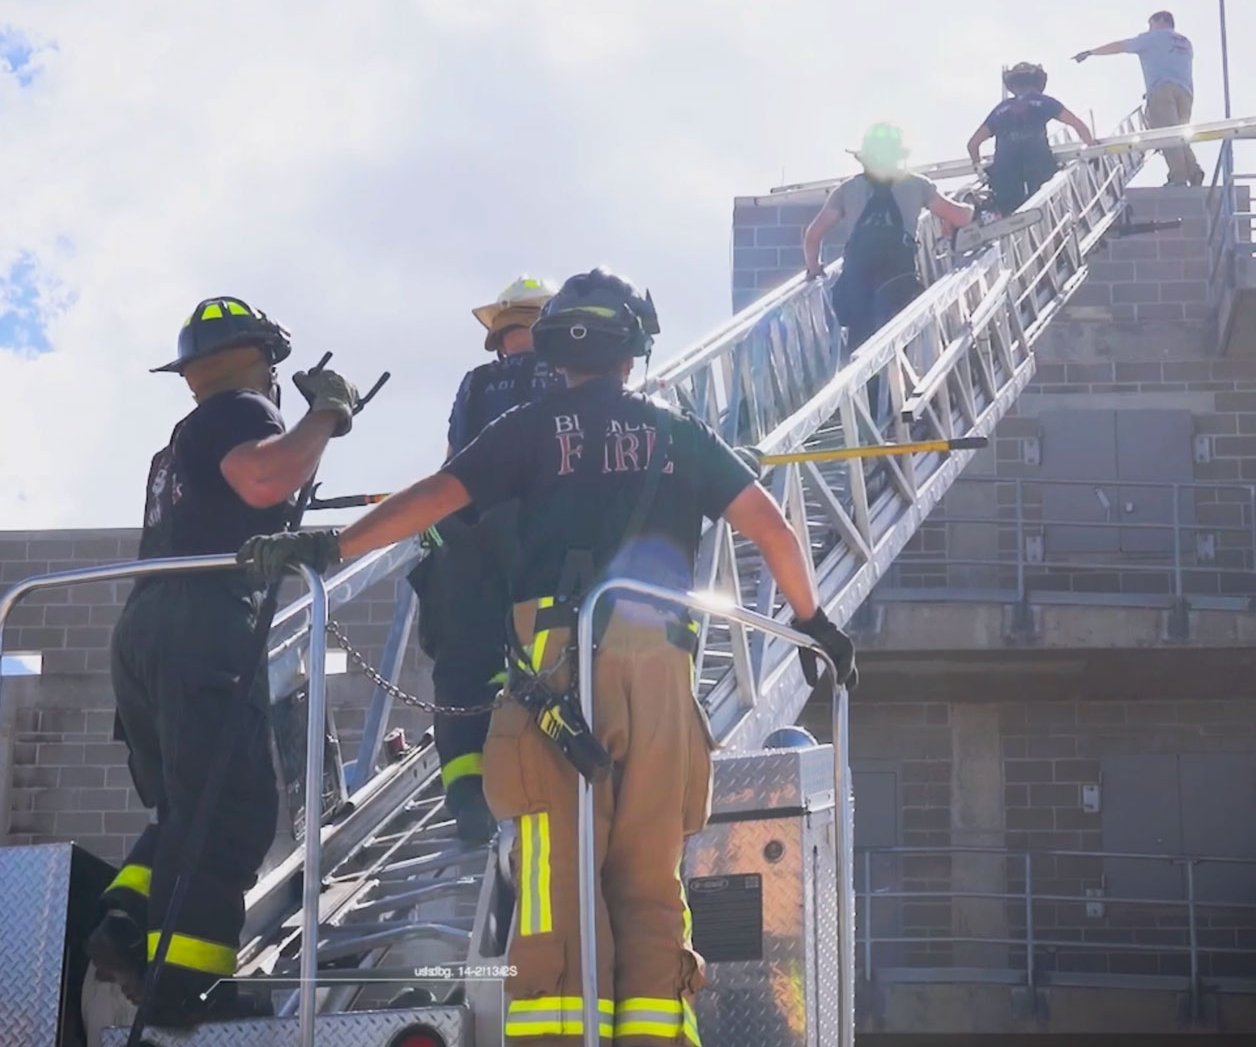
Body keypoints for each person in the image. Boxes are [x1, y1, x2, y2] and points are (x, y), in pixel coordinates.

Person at [240, 268, 858, 1045]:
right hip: (666, 675)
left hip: (559, 674)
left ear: (558, 351)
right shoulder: (679, 433)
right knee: (651, 880)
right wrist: (817, 626)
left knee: (558, 877)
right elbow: (770, 526)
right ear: (634, 352)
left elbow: (436, 497)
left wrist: (329, 546)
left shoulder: (529, 428)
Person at [86, 295, 363, 1027]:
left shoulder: (177, 442)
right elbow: (265, 480)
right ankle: (189, 990)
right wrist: (327, 415)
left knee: (188, 802)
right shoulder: (242, 411)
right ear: (262, 358)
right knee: (232, 811)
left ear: (190, 370)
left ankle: (125, 918)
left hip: (146, 630)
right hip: (202, 625)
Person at [415, 276, 567, 844]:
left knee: (463, 668)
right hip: (540, 539)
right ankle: (534, 779)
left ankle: (465, 797)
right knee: (549, 660)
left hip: (469, 538)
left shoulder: (474, 385)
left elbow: (453, 465)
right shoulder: (566, 377)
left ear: (500, 335)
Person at [803, 122, 973, 351]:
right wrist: (972, 208)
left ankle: (861, 384)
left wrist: (814, 268)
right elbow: (960, 216)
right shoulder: (917, 185)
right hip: (898, 276)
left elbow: (813, 235)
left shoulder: (846, 190)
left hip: (856, 276)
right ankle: (892, 384)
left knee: (859, 339)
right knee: (894, 341)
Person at [1073, 10, 1203, 186]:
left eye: (1151, 24)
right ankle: (1194, 170)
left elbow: (1121, 46)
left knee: (1166, 134)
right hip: (1185, 93)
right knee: (1180, 134)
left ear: (1161, 21)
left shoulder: (1153, 38)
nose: (1149, 29)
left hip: (1161, 90)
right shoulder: (1185, 42)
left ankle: (1178, 176)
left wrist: (1091, 52)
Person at [966, 62, 1096, 216]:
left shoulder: (1000, 110)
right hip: (1039, 168)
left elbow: (972, 144)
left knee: (1009, 220)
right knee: (1048, 213)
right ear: (1038, 83)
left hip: (1005, 175)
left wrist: (979, 170)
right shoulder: (1045, 102)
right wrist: (1092, 151)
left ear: (1012, 85)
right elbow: (1078, 125)